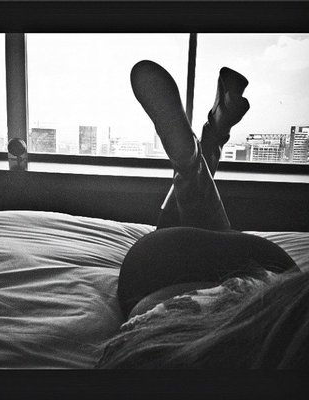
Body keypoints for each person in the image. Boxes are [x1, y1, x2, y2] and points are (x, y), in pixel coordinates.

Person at [96, 60, 305, 369]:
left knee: (194, 233)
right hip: (166, 277)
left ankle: (205, 146)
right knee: (177, 238)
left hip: (269, 279)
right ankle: (199, 150)